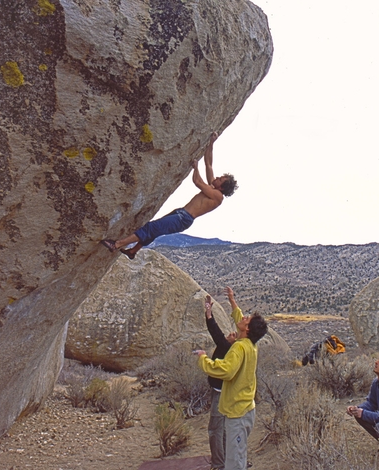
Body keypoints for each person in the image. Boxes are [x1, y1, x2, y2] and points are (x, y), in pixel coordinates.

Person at [101, 132, 238, 259]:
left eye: (221, 179)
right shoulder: (214, 188)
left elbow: (197, 181)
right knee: (154, 230)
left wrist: (195, 167)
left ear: (222, 187)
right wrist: (211, 143)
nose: (218, 177)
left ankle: (117, 244)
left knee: (151, 228)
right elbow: (209, 164)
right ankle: (133, 251)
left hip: (183, 218)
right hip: (181, 214)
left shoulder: (217, 197)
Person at [195, 287, 268, 470]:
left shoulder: (239, 348)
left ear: (248, 329)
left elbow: (226, 371)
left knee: (235, 462)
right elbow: (239, 318)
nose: (243, 318)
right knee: (238, 454)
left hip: (238, 412)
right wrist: (232, 300)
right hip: (246, 409)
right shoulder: (251, 343)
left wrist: (203, 359)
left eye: (246, 320)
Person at [204, 294, 236, 470]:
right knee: (223, 427)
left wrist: (209, 312)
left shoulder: (226, 347)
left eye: (234, 334)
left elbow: (214, 331)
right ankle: (225, 461)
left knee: (215, 428)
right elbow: (216, 331)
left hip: (219, 392)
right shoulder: (236, 349)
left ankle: (218, 464)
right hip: (227, 391)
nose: (231, 333)